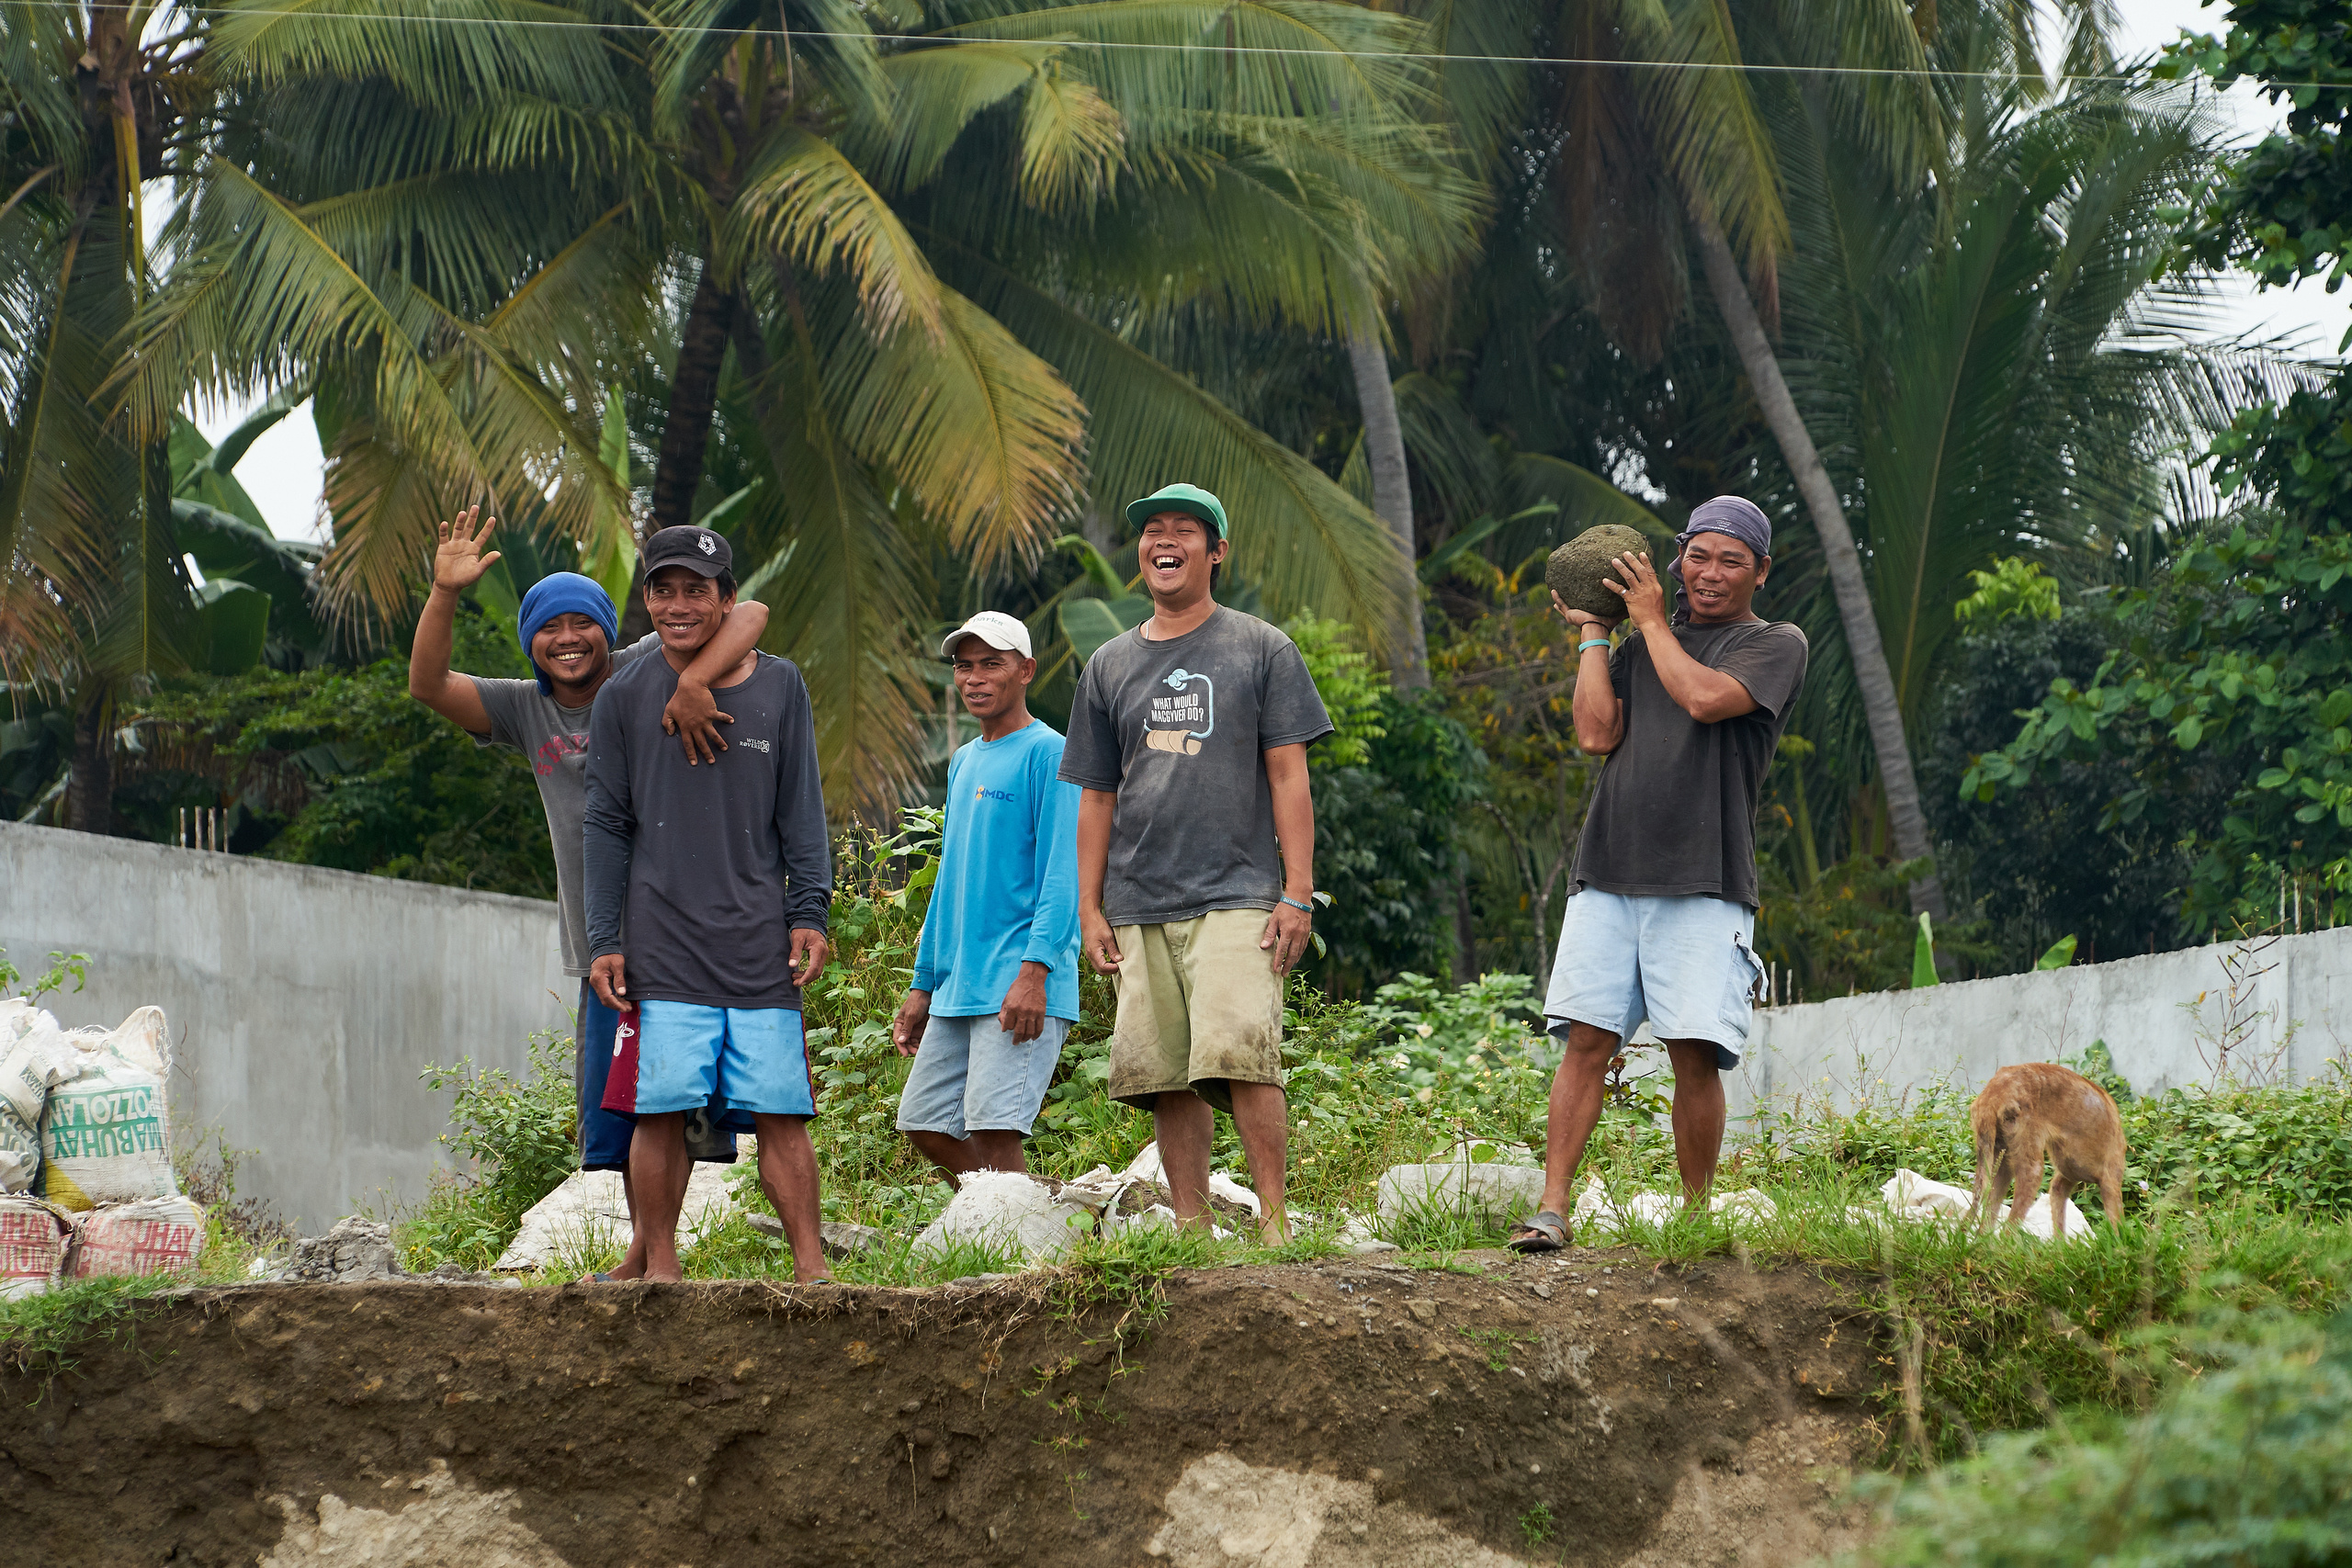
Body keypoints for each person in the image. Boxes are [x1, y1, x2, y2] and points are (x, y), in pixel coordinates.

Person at [405, 506, 768, 1280]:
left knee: (692, 1110)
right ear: (529, 641)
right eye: (549, 628)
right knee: (622, 1112)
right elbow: (427, 683)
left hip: (689, 931)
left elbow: (756, 614)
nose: (568, 639)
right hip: (603, 945)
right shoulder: (522, 707)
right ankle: (647, 1251)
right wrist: (444, 592)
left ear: (611, 630)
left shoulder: (647, 667)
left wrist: (695, 679)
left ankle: (660, 1256)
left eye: (583, 624)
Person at [1507, 496, 1809, 1254]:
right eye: (1698, 556)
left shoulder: (1773, 643)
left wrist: (1646, 622)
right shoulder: (1643, 644)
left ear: (1761, 571)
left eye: (1731, 560)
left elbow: (1705, 700)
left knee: (1692, 1051)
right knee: (1586, 1040)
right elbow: (1594, 731)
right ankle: (1551, 1208)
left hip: (1704, 879)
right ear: (1678, 559)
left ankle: (1696, 1219)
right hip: (1609, 869)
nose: (1710, 574)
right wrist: (1593, 632)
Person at [1058, 483, 1331, 1245]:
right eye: (1152, 529)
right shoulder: (1109, 664)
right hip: (1139, 898)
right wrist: (1089, 907)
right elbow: (1097, 798)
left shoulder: (1259, 646)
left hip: (1238, 892)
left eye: (1185, 529)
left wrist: (1298, 892)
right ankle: (1191, 1229)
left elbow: (1288, 774)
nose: (1164, 540)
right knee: (1163, 1075)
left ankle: (1275, 1227)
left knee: (1243, 1055)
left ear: (1216, 552)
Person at [584, 524, 833, 1283]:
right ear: (649, 599)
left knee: (781, 1113)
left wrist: (810, 911)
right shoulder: (624, 693)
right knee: (657, 1109)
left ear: (727, 599)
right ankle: (661, 1267)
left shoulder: (780, 685)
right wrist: (605, 937)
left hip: (759, 941)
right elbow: (605, 819)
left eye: (698, 589)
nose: (679, 604)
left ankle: (813, 1268)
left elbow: (803, 809)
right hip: (661, 942)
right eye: (664, 589)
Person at [889, 613, 1080, 1183]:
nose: (974, 678)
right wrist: (923, 984)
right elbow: (950, 881)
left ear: (1026, 670)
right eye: (964, 666)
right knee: (924, 1122)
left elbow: (1063, 874)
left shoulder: (1051, 753)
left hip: (1020, 979)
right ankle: (1015, 1216)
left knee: (995, 1128)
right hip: (958, 983)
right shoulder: (964, 760)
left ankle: (1019, 1253)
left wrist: (1035, 972)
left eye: (991, 664)